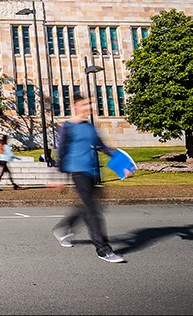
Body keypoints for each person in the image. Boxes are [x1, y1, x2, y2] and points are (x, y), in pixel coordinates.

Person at [52, 97, 126, 263]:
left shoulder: (90, 127)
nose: (88, 107)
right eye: (84, 104)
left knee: (90, 206)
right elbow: (61, 152)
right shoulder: (67, 127)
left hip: (92, 171)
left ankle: (64, 228)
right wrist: (59, 177)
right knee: (93, 211)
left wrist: (122, 164)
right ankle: (103, 250)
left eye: (89, 104)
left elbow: (103, 146)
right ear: (75, 106)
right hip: (77, 172)